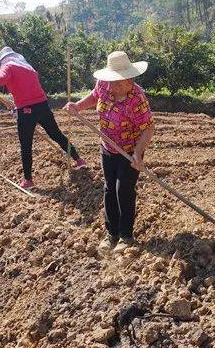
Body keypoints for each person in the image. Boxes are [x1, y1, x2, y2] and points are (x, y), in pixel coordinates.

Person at [64, 51, 154, 254]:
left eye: (124, 80)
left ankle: (126, 236)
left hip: (130, 151)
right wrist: (77, 106)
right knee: (109, 189)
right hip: (107, 147)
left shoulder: (137, 98)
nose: (120, 85)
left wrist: (138, 153)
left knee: (124, 189)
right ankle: (111, 233)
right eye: (116, 81)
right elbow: (94, 96)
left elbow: (148, 128)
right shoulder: (104, 85)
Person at [0, 46, 86, 189]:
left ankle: (28, 180)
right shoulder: (28, 68)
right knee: (56, 134)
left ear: (3, 60)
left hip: (26, 111)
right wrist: (18, 106)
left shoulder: (8, 66)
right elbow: (26, 90)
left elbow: (1, 80)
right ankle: (79, 160)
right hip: (42, 106)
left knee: (26, 145)